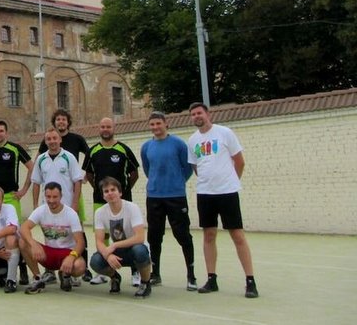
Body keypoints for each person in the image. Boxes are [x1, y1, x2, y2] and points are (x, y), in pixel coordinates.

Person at [188, 102, 258, 298]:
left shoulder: (225, 133)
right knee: (209, 235)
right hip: (205, 194)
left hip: (227, 193)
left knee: (237, 235)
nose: (196, 116)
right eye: (193, 114)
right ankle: (211, 279)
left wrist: (231, 181)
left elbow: (240, 161)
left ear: (207, 114)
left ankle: (250, 281)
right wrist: (208, 182)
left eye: (199, 113)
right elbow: (196, 167)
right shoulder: (192, 141)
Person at [140, 111, 197, 290]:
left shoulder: (179, 144)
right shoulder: (146, 147)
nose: (156, 127)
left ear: (166, 124)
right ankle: (155, 273)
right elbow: (148, 170)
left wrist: (176, 183)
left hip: (176, 197)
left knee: (183, 235)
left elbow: (187, 169)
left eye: (158, 123)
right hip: (154, 197)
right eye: (152, 124)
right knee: (154, 237)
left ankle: (191, 275)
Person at [84, 117, 141, 286]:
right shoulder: (93, 151)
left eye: (108, 126)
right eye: (102, 126)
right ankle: (106, 273)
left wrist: (122, 192)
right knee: (103, 236)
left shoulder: (123, 149)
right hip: (100, 202)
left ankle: (135, 271)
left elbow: (134, 173)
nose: (105, 129)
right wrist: (101, 192)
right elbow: (88, 174)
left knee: (128, 234)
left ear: (113, 128)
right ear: (99, 129)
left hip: (121, 202)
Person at [31, 127, 85, 286]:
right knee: (51, 236)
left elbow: (77, 181)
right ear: (45, 141)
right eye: (49, 139)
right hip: (48, 207)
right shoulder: (41, 159)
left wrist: (75, 203)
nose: (52, 141)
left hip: (67, 206)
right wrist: (36, 205)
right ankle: (50, 272)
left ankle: (71, 271)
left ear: (60, 140)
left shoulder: (69, 157)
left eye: (55, 138)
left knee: (72, 239)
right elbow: (36, 182)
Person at [0, 119, 33, 284]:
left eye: (1, 131)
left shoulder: (15, 149)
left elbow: (32, 167)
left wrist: (24, 190)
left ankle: (23, 268)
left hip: (11, 198)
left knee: (15, 234)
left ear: (6, 133)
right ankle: (2, 270)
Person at [89, 177, 152, 298]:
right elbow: (99, 241)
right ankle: (115, 277)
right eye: (106, 191)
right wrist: (108, 255)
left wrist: (114, 245)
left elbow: (140, 237)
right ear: (103, 196)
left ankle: (145, 282)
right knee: (95, 261)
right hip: (117, 252)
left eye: (113, 189)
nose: (110, 193)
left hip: (133, 249)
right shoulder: (100, 212)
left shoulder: (132, 208)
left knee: (140, 251)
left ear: (120, 192)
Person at [19, 182, 86, 294]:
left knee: (80, 266)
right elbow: (24, 228)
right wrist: (33, 244)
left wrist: (72, 257)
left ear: (61, 196)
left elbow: (80, 243)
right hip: (48, 254)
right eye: (48, 197)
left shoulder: (71, 214)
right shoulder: (41, 210)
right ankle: (38, 279)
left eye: (55, 197)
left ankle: (65, 274)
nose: (51, 200)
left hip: (66, 253)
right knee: (22, 242)